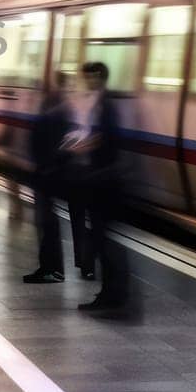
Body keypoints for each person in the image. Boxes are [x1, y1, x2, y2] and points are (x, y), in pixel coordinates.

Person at [70, 62, 129, 310]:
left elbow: (105, 136)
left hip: (104, 179)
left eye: (90, 77)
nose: (88, 81)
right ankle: (110, 293)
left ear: (99, 77)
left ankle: (112, 295)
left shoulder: (106, 105)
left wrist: (80, 147)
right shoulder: (104, 103)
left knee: (103, 237)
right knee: (103, 237)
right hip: (104, 177)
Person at [23, 76, 71, 284]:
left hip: (48, 174)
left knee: (47, 222)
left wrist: (47, 168)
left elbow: (54, 145)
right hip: (46, 172)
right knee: (45, 222)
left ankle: (52, 269)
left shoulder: (55, 111)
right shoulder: (58, 108)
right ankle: (48, 267)